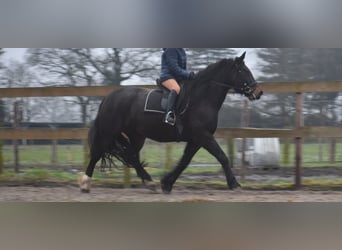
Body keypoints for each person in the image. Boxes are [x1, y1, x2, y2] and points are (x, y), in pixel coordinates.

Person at [159, 48, 195, 126]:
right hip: (167, 76)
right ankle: (169, 114)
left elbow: (183, 68)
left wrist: (189, 76)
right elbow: (174, 68)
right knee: (176, 89)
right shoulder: (171, 49)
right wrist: (187, 75)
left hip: (178, 78)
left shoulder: (181, 50)